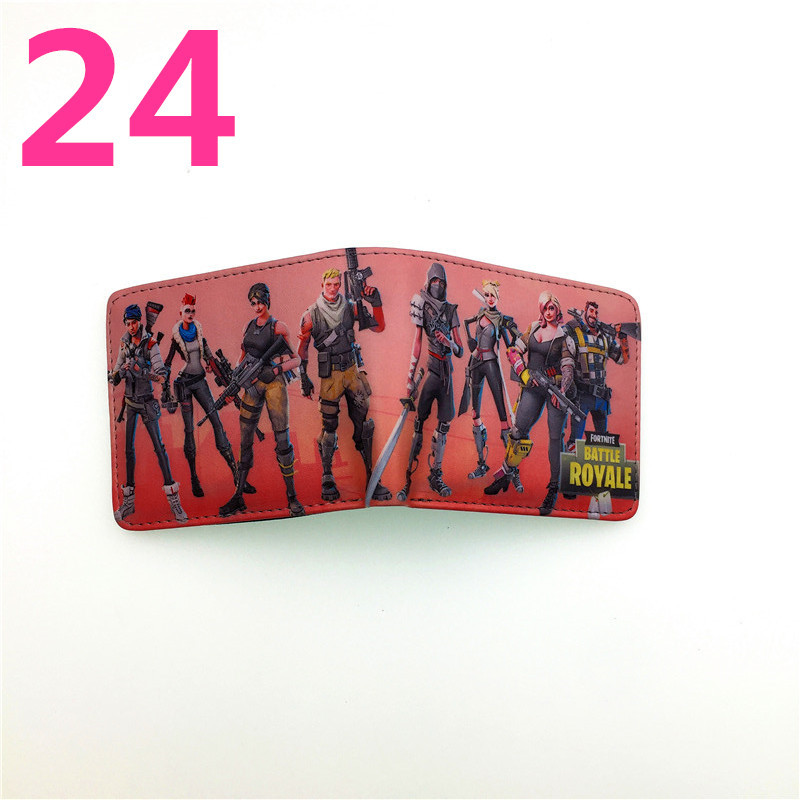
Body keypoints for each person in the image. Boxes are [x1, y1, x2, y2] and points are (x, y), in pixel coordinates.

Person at [298, 267, 392, 502]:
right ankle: (327, 476)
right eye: (329, 284)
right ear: (322, 285)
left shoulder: (351, 306)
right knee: (329, 427)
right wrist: (303, 377)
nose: (333, 289)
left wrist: (376, 303)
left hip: (351, 370)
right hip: (330, 375)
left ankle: (372, 476)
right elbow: (303, 349)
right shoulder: (311, 315)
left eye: (336, 284)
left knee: (365, 424)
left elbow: (379, 326)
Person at [484, 290, 575, 515]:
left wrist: (562, 390)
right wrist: (523, 372)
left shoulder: (564, 335)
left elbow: (567, 367)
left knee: (555, 438)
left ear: (557, 309)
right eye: (545, 308)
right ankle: (507, 473)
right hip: (532, 386)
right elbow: (514, 350)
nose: (549, 312)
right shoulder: (533, 328)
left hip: (554, 388)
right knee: (518, 431)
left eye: (552, 308)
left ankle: (554, 486)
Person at [219, 283, 305, 518]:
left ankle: (292, 498)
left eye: (260, 302)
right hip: (252, 385)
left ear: (267, 301)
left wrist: (275, 370)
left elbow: (296, 360)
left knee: (282, 441)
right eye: (254, 303)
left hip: (273, 384)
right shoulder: (248, 326)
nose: (257, 307)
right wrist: (235, 381)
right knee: (245, 440)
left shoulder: (278, 327)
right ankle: (238, 495)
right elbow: (242, 357)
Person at [109, 303, 187, 523]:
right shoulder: (124, 343)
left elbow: (161, 376)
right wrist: (118, 374)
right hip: (130, 403)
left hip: (146, 402)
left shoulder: (151, 344)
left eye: (134, 322)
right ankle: (128, 503)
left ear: (139, 322)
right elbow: (115, 372)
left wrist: (141, 371)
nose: (131, 327)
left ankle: (174, 501)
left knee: (159, 449)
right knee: (128, 451)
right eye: (128, 323)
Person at [163, 293, 243, 498]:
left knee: (217, 422)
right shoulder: (176, 337)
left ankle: (236, 475)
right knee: (189, 430)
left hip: (200, 381)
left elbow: (210, 357)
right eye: (187, 311)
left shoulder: (199, 334)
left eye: (193, 311)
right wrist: (165, 388)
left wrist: (213, 366)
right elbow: (168, 363)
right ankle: (194, 478)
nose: (190, 314)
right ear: (180, 312)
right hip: (184, 385)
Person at [398, 262, 464, 500]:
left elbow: (460, 350)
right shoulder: (422, 304)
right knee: (418, 424)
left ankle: (435, 475)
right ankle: (408, 477)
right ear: (428, 282)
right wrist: (410, 377)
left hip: (446, 373)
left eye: (441, 282)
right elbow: (417, 341)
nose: (438, 285)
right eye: (434, 281)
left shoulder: (451, 310)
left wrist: (448, 342)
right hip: (431, 370)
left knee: (444, 425)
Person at [459, 279, 520, 488]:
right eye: (487, 295)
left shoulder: (500, 319)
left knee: (503, 416)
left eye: (493, 295)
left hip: (491, 364)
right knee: (475, 413)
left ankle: (512, 469)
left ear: (497, 297)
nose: (490, 298)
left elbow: (511, 345)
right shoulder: (480, 314)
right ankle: (481, 464)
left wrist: (514, 340)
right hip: (476, 363)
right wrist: (469, 340)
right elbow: (465, 322)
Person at [564, 300, 630, 449]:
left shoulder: (605, 337)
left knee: (604, 442)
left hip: (601, 397)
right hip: (581, 397)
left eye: (596, 312)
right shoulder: (573, 332)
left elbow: (622, 359)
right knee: (574, 443)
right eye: (591, 311)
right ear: (585, 310)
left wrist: (623, 338)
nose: (594, 315)